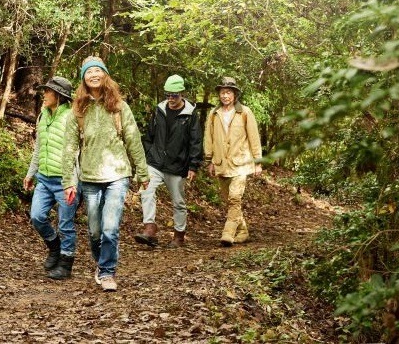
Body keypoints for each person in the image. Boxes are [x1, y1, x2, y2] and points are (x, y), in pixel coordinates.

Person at [62, 56, 149, 292]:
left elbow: (133, 139)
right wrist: (68, 181)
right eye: (89, 72)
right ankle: (101, 263)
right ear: (83, 78)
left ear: (105, 75)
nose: (94, 75)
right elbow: (70, 148)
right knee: (94, 231)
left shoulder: (120, 107)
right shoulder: (77, 111)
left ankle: (108, 271)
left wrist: (142, 171)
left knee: (110, 227)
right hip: (89, 177)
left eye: (98, 71)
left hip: (118, 175)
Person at [134, 75, 203, 248]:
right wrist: (149, 153)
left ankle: (179, 235)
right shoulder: (159, 110)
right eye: (168, 95)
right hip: (155, 162)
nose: (171, 99)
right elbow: (149, 135)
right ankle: (149, 227)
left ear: (182, 94)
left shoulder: (190, 115)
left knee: (178, 201)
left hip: (178, 165)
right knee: (146, 190)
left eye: (175, 95)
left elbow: (196, 141)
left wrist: (193, 165)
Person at [24, 76, 79, 280]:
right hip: (44, 179)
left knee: (65, 224)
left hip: (65, 181)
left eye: (48, 91)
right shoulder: (43, 115)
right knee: (37, 216)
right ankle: (54, 247)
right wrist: (31, 174)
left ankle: (66, 264)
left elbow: (76, 152)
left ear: (58, 95)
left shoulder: (71, 117)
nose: (44, 94)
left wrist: (71, 182)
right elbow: (38, 148)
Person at [204, 77, 263, 247]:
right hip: (221, 163)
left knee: (235, 198)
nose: (225, 95)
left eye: (228, 92)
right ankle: (243, 231)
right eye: (222, 92)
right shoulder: (214, 114)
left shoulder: (245, 112)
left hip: (241, 163)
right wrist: (210, 160)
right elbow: (209, 137)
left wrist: (258, 161)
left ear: (235, 94)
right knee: (229, 201)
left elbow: (254, 137)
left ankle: (228, 233)